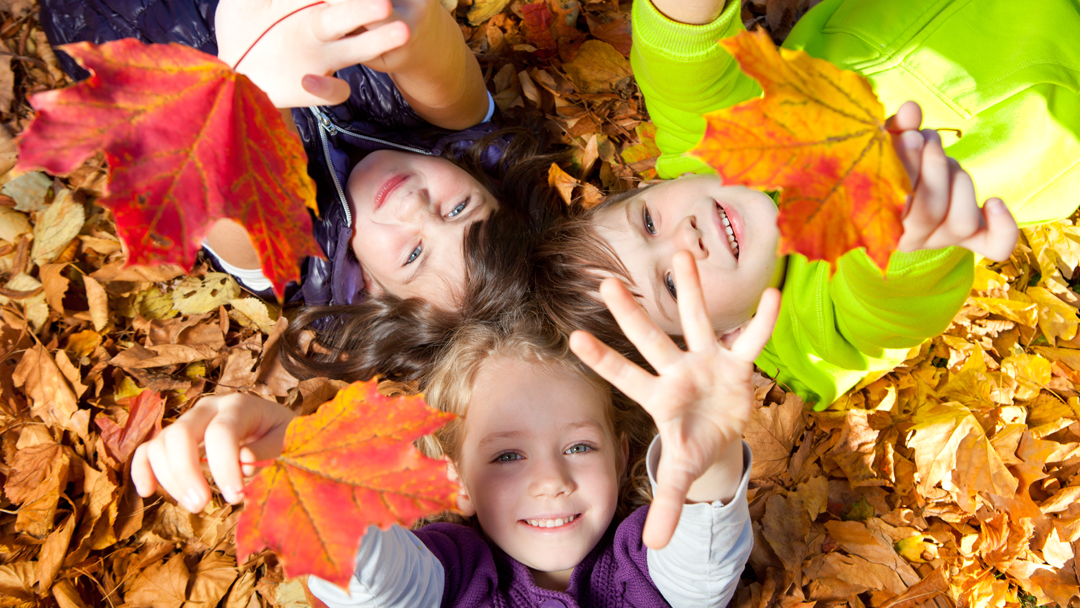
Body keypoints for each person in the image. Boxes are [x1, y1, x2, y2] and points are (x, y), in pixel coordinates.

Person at [130, 258, 781, 607]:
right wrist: (296, 465)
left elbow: (699, 566)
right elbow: (385, 584)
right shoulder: (456, 577)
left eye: (579, 446)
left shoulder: (635, 570)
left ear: (623, 455)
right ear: (455, 480)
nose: (551, 480)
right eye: (506, 456)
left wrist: (711, 452)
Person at [532, 0, 1080, 409]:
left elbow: (681, 60)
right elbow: (884, 306)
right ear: (722, 338)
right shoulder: (814, 329)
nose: (685, 239)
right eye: (672, 285)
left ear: (647, 187)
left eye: (649, 221)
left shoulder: (708, 146)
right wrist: (905, 233)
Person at [39, 0, 568, 382]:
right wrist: (404, 26)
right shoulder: (453, 136)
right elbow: (433, 52)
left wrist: (263, 89)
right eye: (459, 207)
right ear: (483, 182)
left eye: (413, 254)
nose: (416, 207)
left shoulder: (290, 258)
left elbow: (228, 171)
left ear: (374, 293)